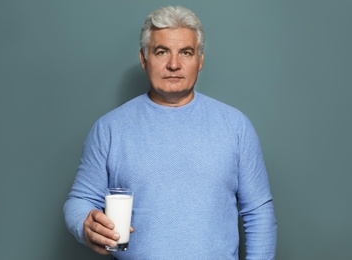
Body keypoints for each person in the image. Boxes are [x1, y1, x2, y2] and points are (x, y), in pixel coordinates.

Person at [64, 5, 277, 260]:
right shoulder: (109, 129)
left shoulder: (236, 127)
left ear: (200, 60)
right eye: (161, 51)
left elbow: (259, 214)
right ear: (144, 59)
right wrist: (85, 226)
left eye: (185, 52)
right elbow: (80, 200)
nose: (174, 64)